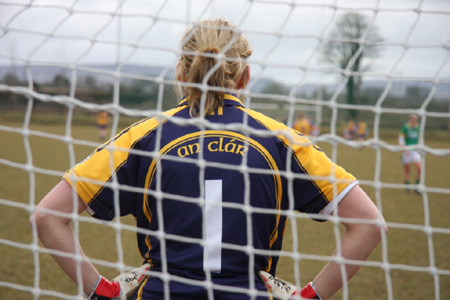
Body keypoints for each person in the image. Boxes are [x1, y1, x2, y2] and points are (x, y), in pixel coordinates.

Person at [30, 19, 386, 300]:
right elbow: (369, 224)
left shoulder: (143, 138)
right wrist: (310, 296)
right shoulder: (282, 142)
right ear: (245, 77)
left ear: (182, 73)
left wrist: (101, 291)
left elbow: (47, 217)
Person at [398, 113, 421, 191]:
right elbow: (401, 138)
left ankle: (417, 187)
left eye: (414, 118)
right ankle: (407, 186)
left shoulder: (418, 127)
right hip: (407, 150)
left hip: (415, 151)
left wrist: (419, 146)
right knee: (407, 170)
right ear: (410, 119)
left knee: (419, 169)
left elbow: (420, 138)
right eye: (412, 118)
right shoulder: (406, 127)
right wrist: (404, 149)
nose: (413, 120)